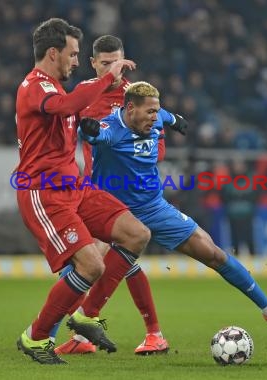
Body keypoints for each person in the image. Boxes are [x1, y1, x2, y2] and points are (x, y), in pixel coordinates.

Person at [76, 81, 267, 341]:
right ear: (130, 108)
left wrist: (175, 119)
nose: (155, 118)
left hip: (154, 208)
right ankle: (60, 333)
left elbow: (166, 116)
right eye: (150, 113)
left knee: (213, 253)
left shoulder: (155, 118)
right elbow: (97, 134)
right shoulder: (111, 128)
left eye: (157, 112)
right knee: (86, 266)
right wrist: (90, 130)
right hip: (115, 213)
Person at [14, 18, 151, 365]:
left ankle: (86, 316)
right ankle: (36, 337)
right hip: (44, 192)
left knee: (136, 234)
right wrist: (109, 79)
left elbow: (71, 115)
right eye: (73, 55)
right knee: (91, 265)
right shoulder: (35, 86)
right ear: (53, 53)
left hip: (75, 187)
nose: (77, 61)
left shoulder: (57, 89)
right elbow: (67, 107)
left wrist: (90, 128)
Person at [52, 35, 186, 356]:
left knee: (93, 261)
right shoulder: (82, 96)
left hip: (127, 195)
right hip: (90, 192)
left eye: (118, 62)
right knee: (92, 263)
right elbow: (66, 135)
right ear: (94, 63)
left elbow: (158, 148)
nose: (113, 69)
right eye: (106, 63)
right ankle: (88, 336)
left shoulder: (137, 98)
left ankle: (52, 334)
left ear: (125, 61)